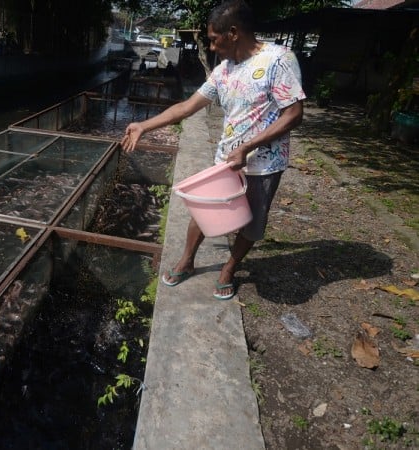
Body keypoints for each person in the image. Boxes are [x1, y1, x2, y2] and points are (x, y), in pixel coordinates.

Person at [121, 0, 305, 300]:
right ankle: (187, 260)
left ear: (233, 32)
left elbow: (294, 113)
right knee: (205, 212)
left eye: (213, 38)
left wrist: (248, 146)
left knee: (253, 220)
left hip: (264, 163)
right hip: (226, 160)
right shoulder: (223, 71)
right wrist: (145, 126)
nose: (212, 45)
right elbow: (185, 107)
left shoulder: (279, 59)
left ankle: (229, 268)